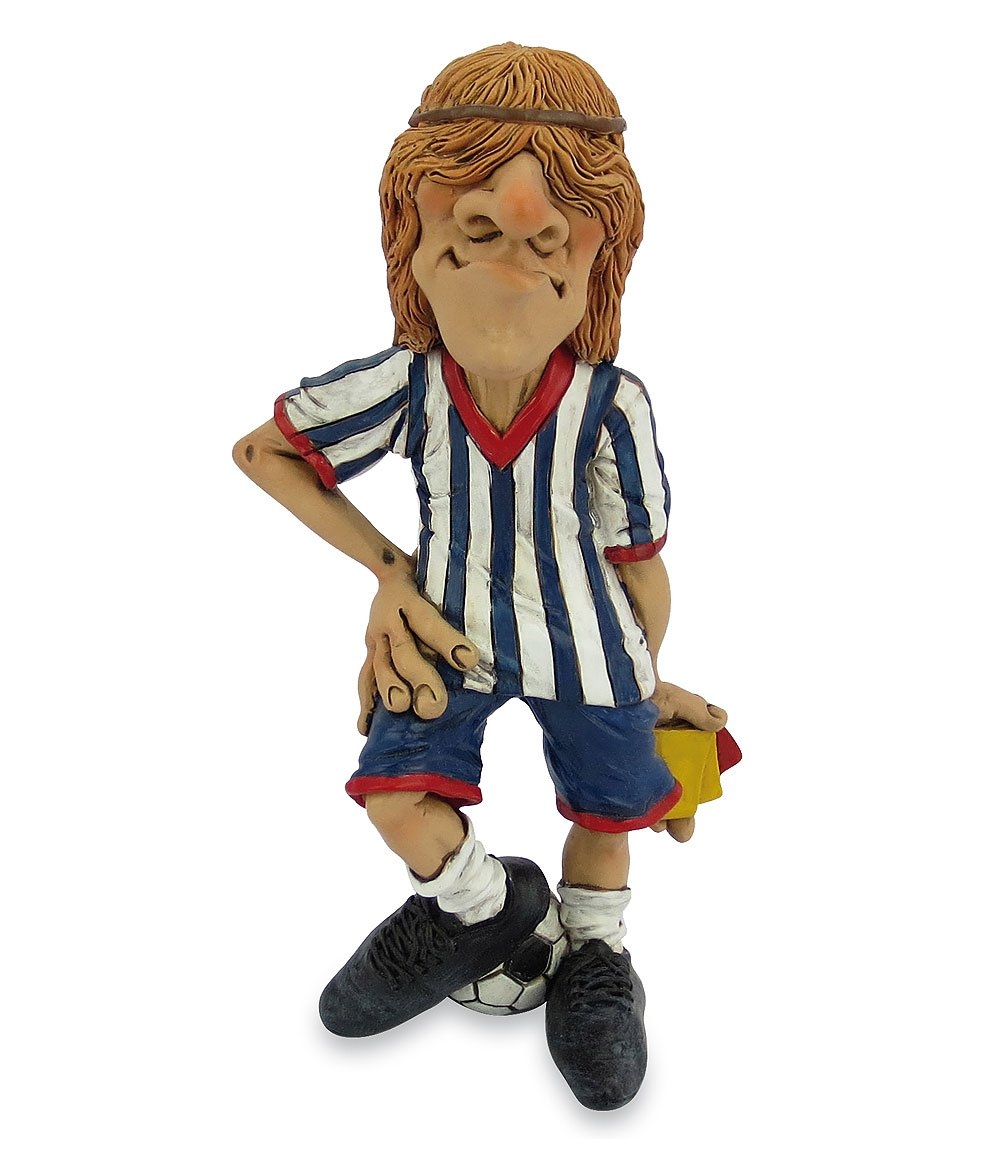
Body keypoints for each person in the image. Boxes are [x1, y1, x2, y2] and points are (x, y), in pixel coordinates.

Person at [233, 42, 728, 1111]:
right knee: (393, 788)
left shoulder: (610, 404)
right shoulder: (410, 383)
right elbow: (266, 451)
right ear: (411, 241)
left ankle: (593, 952)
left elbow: (641, 564)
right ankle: (482, 907)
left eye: (547, 234)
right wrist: (390, 574)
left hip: (587, 638)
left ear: (597, 256)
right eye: (478, 226)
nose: (513, 243)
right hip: (449, 628)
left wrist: (646, 677)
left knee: (611, 809)